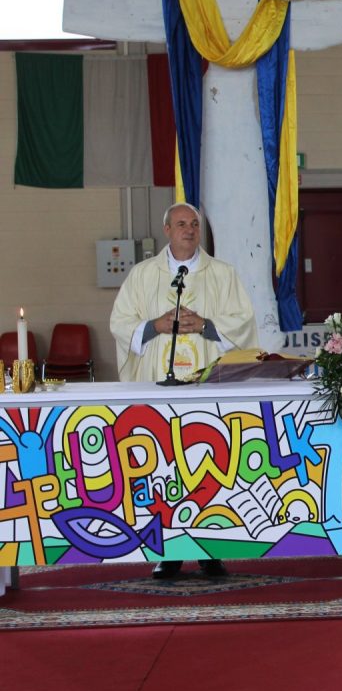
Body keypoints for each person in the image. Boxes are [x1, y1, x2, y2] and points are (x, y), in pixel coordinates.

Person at [110, 202, 257, 579]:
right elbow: (120, 322)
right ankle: (168, 551)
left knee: (210, 464)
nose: (189, 230)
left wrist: (207, 326)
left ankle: (212, 549)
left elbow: (243, 321)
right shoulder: (143, 275)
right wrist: (154, 326)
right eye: (180, 224)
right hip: (160, 385)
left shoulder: (222, 273)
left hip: (209, 385)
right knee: (163, 468)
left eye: (194, 224)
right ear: (167, 230)